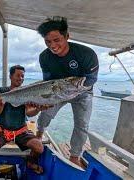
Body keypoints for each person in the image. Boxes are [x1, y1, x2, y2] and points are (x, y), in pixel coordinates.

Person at [36, 16, 99, 168]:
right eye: (48, 41)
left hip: (82, 91)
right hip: (58, 91)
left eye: (57, 40)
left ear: (67, 36)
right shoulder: (44, 57)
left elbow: (91, 79)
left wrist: (73, 90)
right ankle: (39, 132)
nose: (52, 45)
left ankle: (75, 155)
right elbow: (48, 81)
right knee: (46, 113)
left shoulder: (86, 54)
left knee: (82, 123)